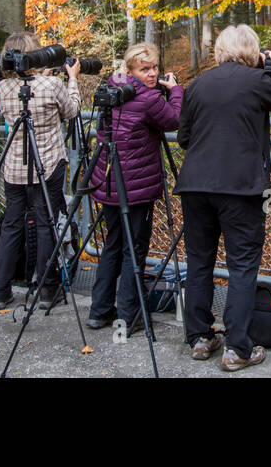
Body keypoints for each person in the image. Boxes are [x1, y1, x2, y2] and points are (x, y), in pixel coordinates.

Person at [175, 24, 271, 371]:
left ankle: (201, 337)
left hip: (196, 186)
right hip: (241, 188)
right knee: (242, 265)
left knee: (199, 262)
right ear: (253, 50)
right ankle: (238, 348)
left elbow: (184, 137)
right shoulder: (258, 80)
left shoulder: (197, 84)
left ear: (219, 50)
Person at [87, 42, 182, 334]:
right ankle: (128, 315)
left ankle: (99, 311)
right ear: (130, 70)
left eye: (154, 67)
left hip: (110, 182)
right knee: (134, 248)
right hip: (137, 187)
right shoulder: (149, 99)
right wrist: (176, 91)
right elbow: (175, 119)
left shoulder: (112, 90)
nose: (152, 74)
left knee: (113, 244)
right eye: (145, 69)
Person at [0, 31, 82, 311]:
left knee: (12, 225)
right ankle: (46, 288)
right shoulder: (52, 84)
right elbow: (72, 111)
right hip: (49, 164)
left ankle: (0, 290)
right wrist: (73, 79)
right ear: (35, 53)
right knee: (46, 224)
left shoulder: (3, 89)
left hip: (14, 167)